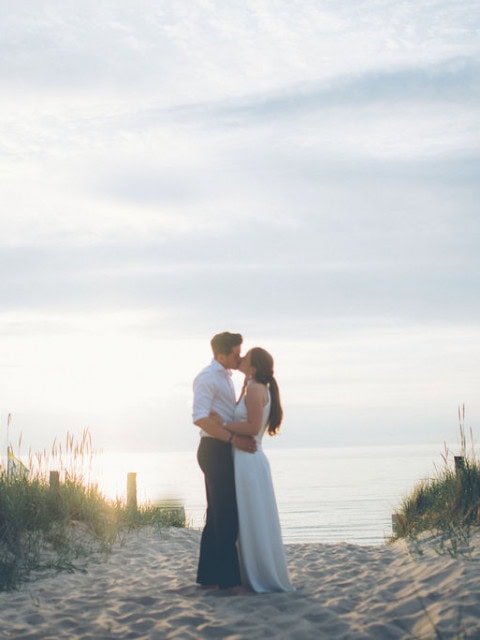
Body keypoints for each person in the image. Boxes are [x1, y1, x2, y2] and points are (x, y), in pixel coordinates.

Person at [216, 347, 293, 593]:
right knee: (254, 517)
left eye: (246, 358)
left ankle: (257, 575)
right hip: (249, 458)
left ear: (254, 367)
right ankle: (254, 571)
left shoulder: (255, 389)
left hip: (248, 459)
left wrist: (223, 424)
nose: (240, 359)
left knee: (251, 517)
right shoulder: (256, 387)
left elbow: (252, 426)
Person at [192, 332, 256, 594]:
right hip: (213, 449)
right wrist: (233, 438)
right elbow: (199, 418)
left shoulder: (226, 378)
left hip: (222, 448)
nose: (239, 357)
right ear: (221, 354)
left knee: (216, 514)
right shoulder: (207, 378)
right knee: (227, 514)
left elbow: (225, 413)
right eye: (235, 353)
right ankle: (230, 582)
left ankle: (208, 577)